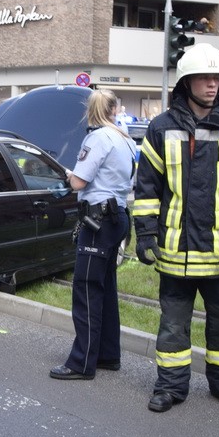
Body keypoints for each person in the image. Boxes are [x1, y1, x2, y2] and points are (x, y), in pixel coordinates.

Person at [132, 42, 219, 413]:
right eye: (204, 78)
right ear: (186, 83)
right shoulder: (161, 128)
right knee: (173, 326)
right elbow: (147, 189)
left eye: (217, 78)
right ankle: (170, 387)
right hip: (174, 251)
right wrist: (144, 234)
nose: (212, 84)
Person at [50, 89, 137, 380]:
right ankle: (107, 355)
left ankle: (81, 363)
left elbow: (78, 182)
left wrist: (68, 176)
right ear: (116, 109)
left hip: (97, 220)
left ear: (91, 110)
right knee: (106, 289)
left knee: (86, 289)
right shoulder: (125, 138)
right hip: (118, 217)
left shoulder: (97, 138)